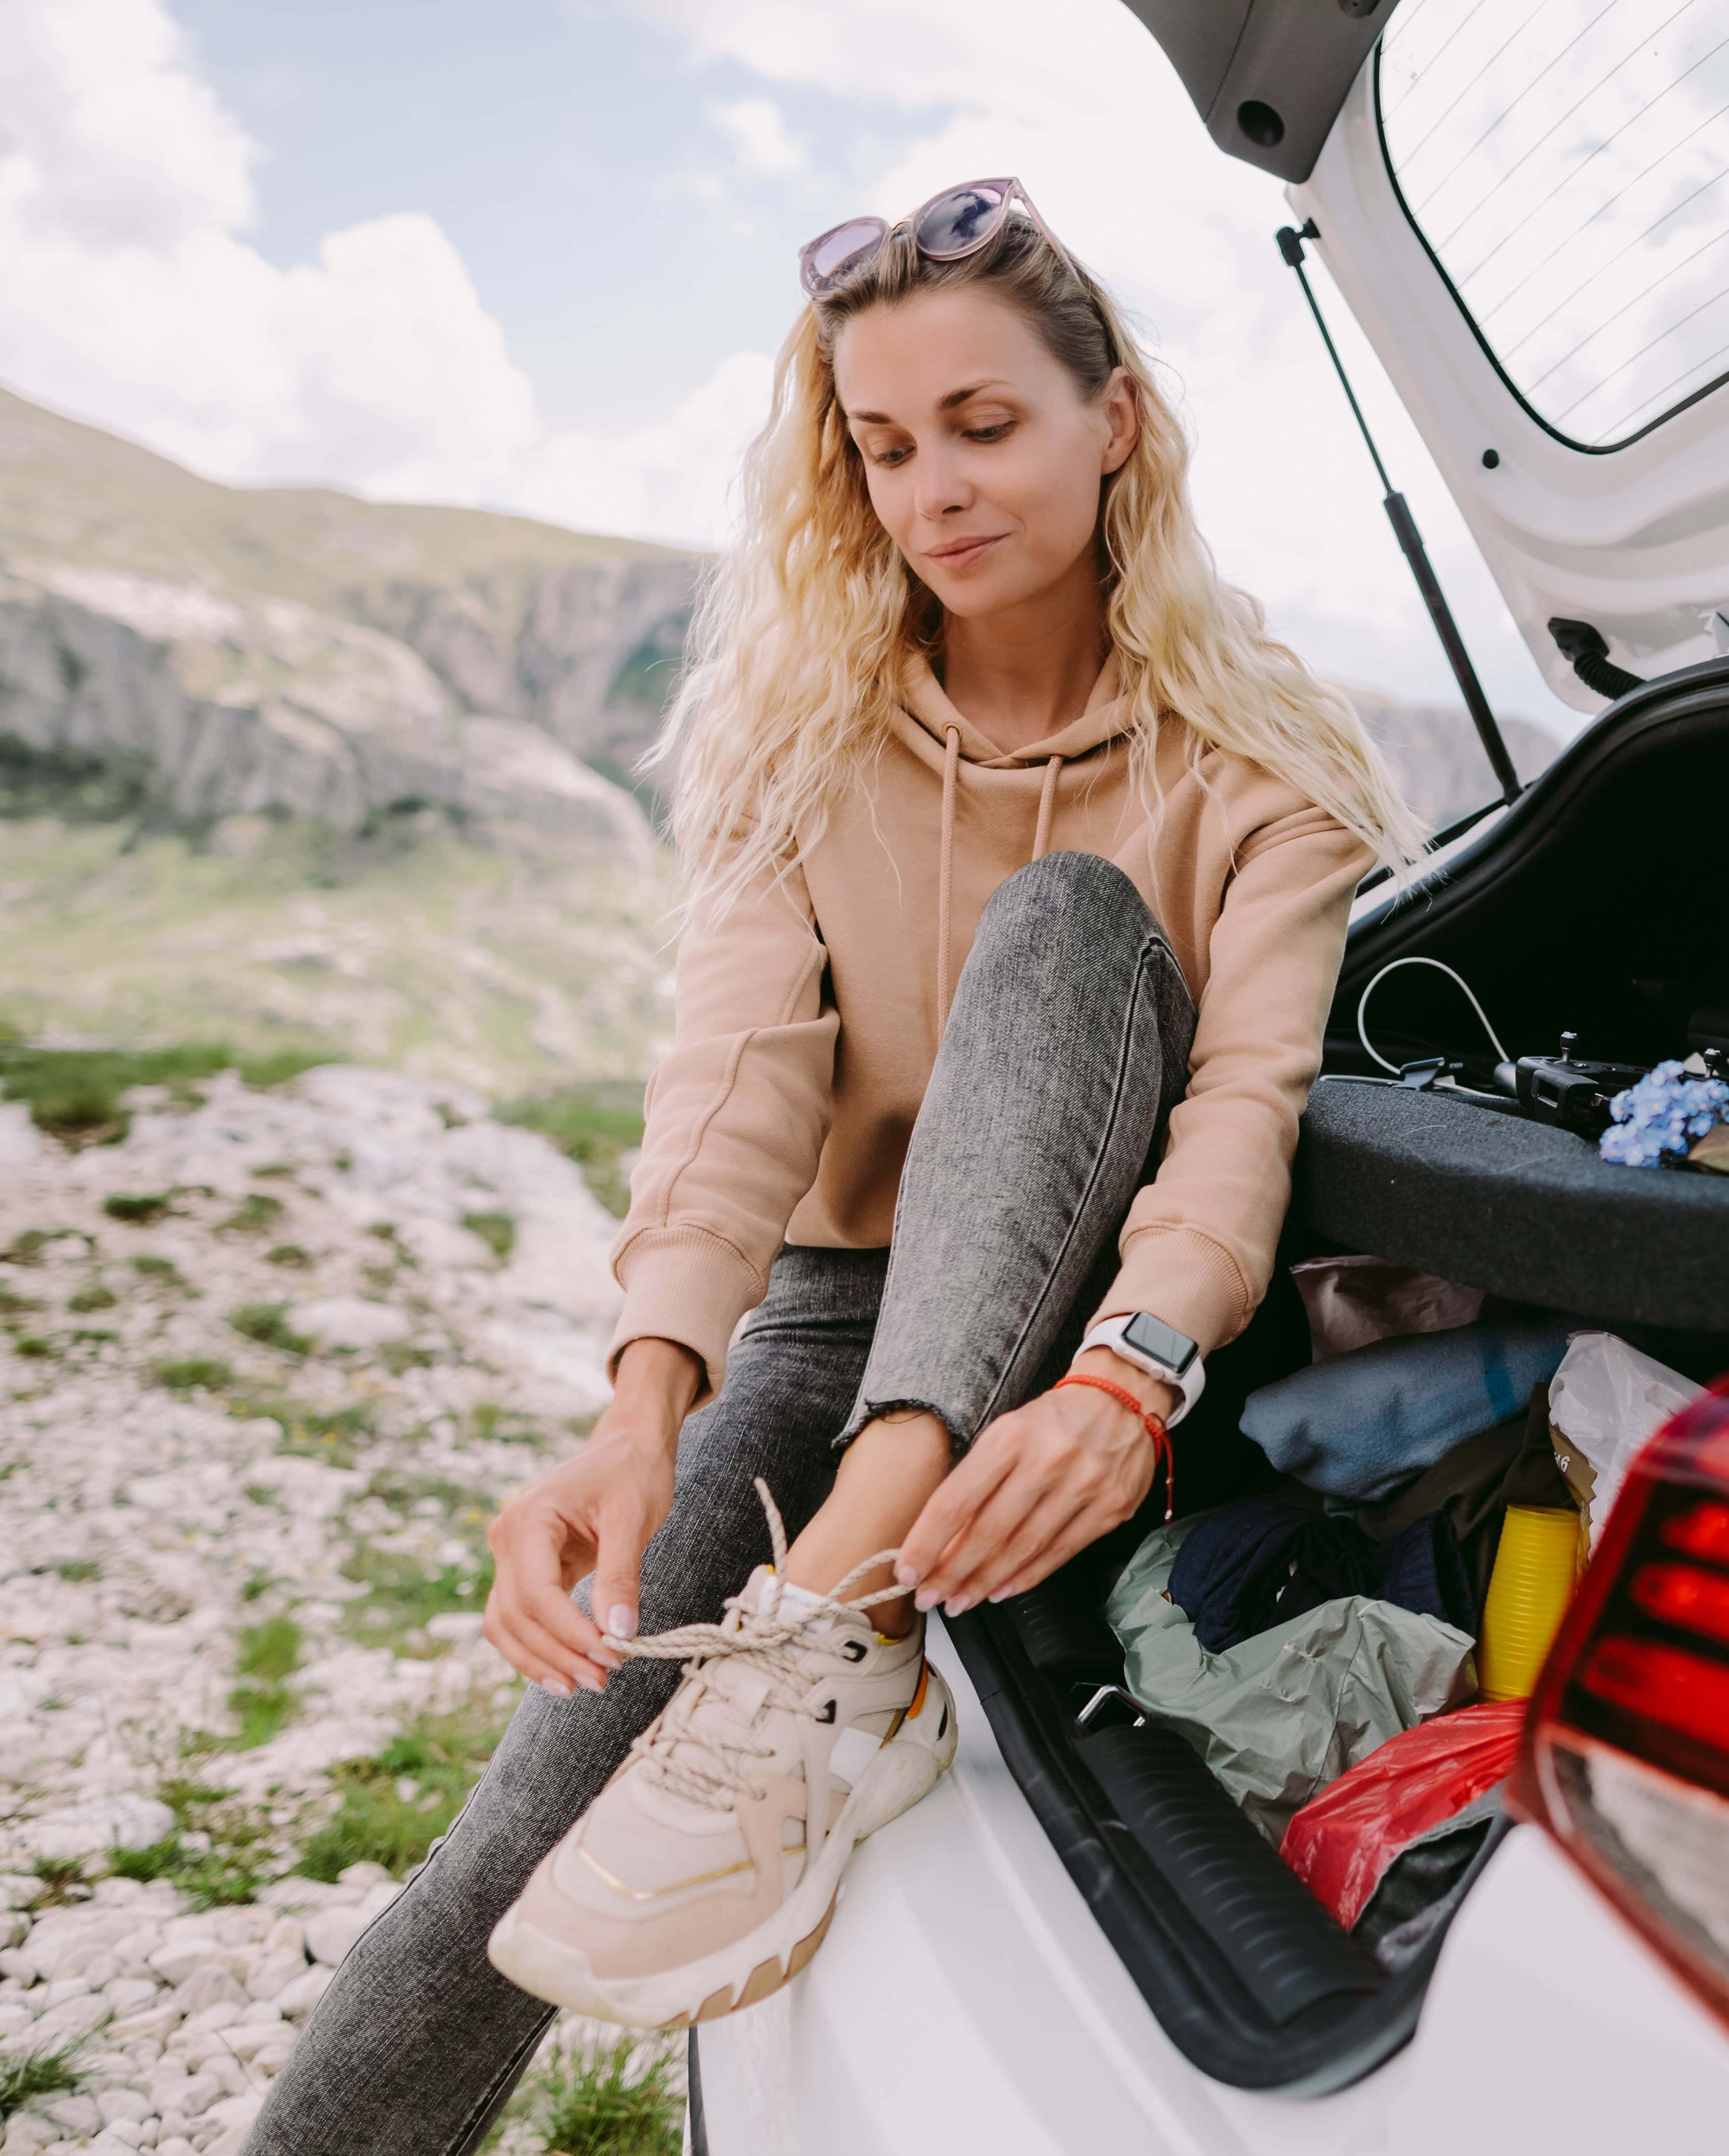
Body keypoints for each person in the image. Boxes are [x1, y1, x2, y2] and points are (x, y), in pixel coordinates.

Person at [250, 178, 1419, 2152]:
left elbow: (1248, 1102)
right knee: (505, 1867)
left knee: (1062, 926)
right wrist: (640, 1410)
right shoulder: (809, 743)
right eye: (883, 449)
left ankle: (828, 1619)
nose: (933, 491)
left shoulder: (1256, 759)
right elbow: (731, 1092)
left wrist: (1135, 1376)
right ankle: (835, 1625)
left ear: (1111, 419)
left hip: (1116, 1332)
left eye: (984, 425)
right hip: (834, 1320)